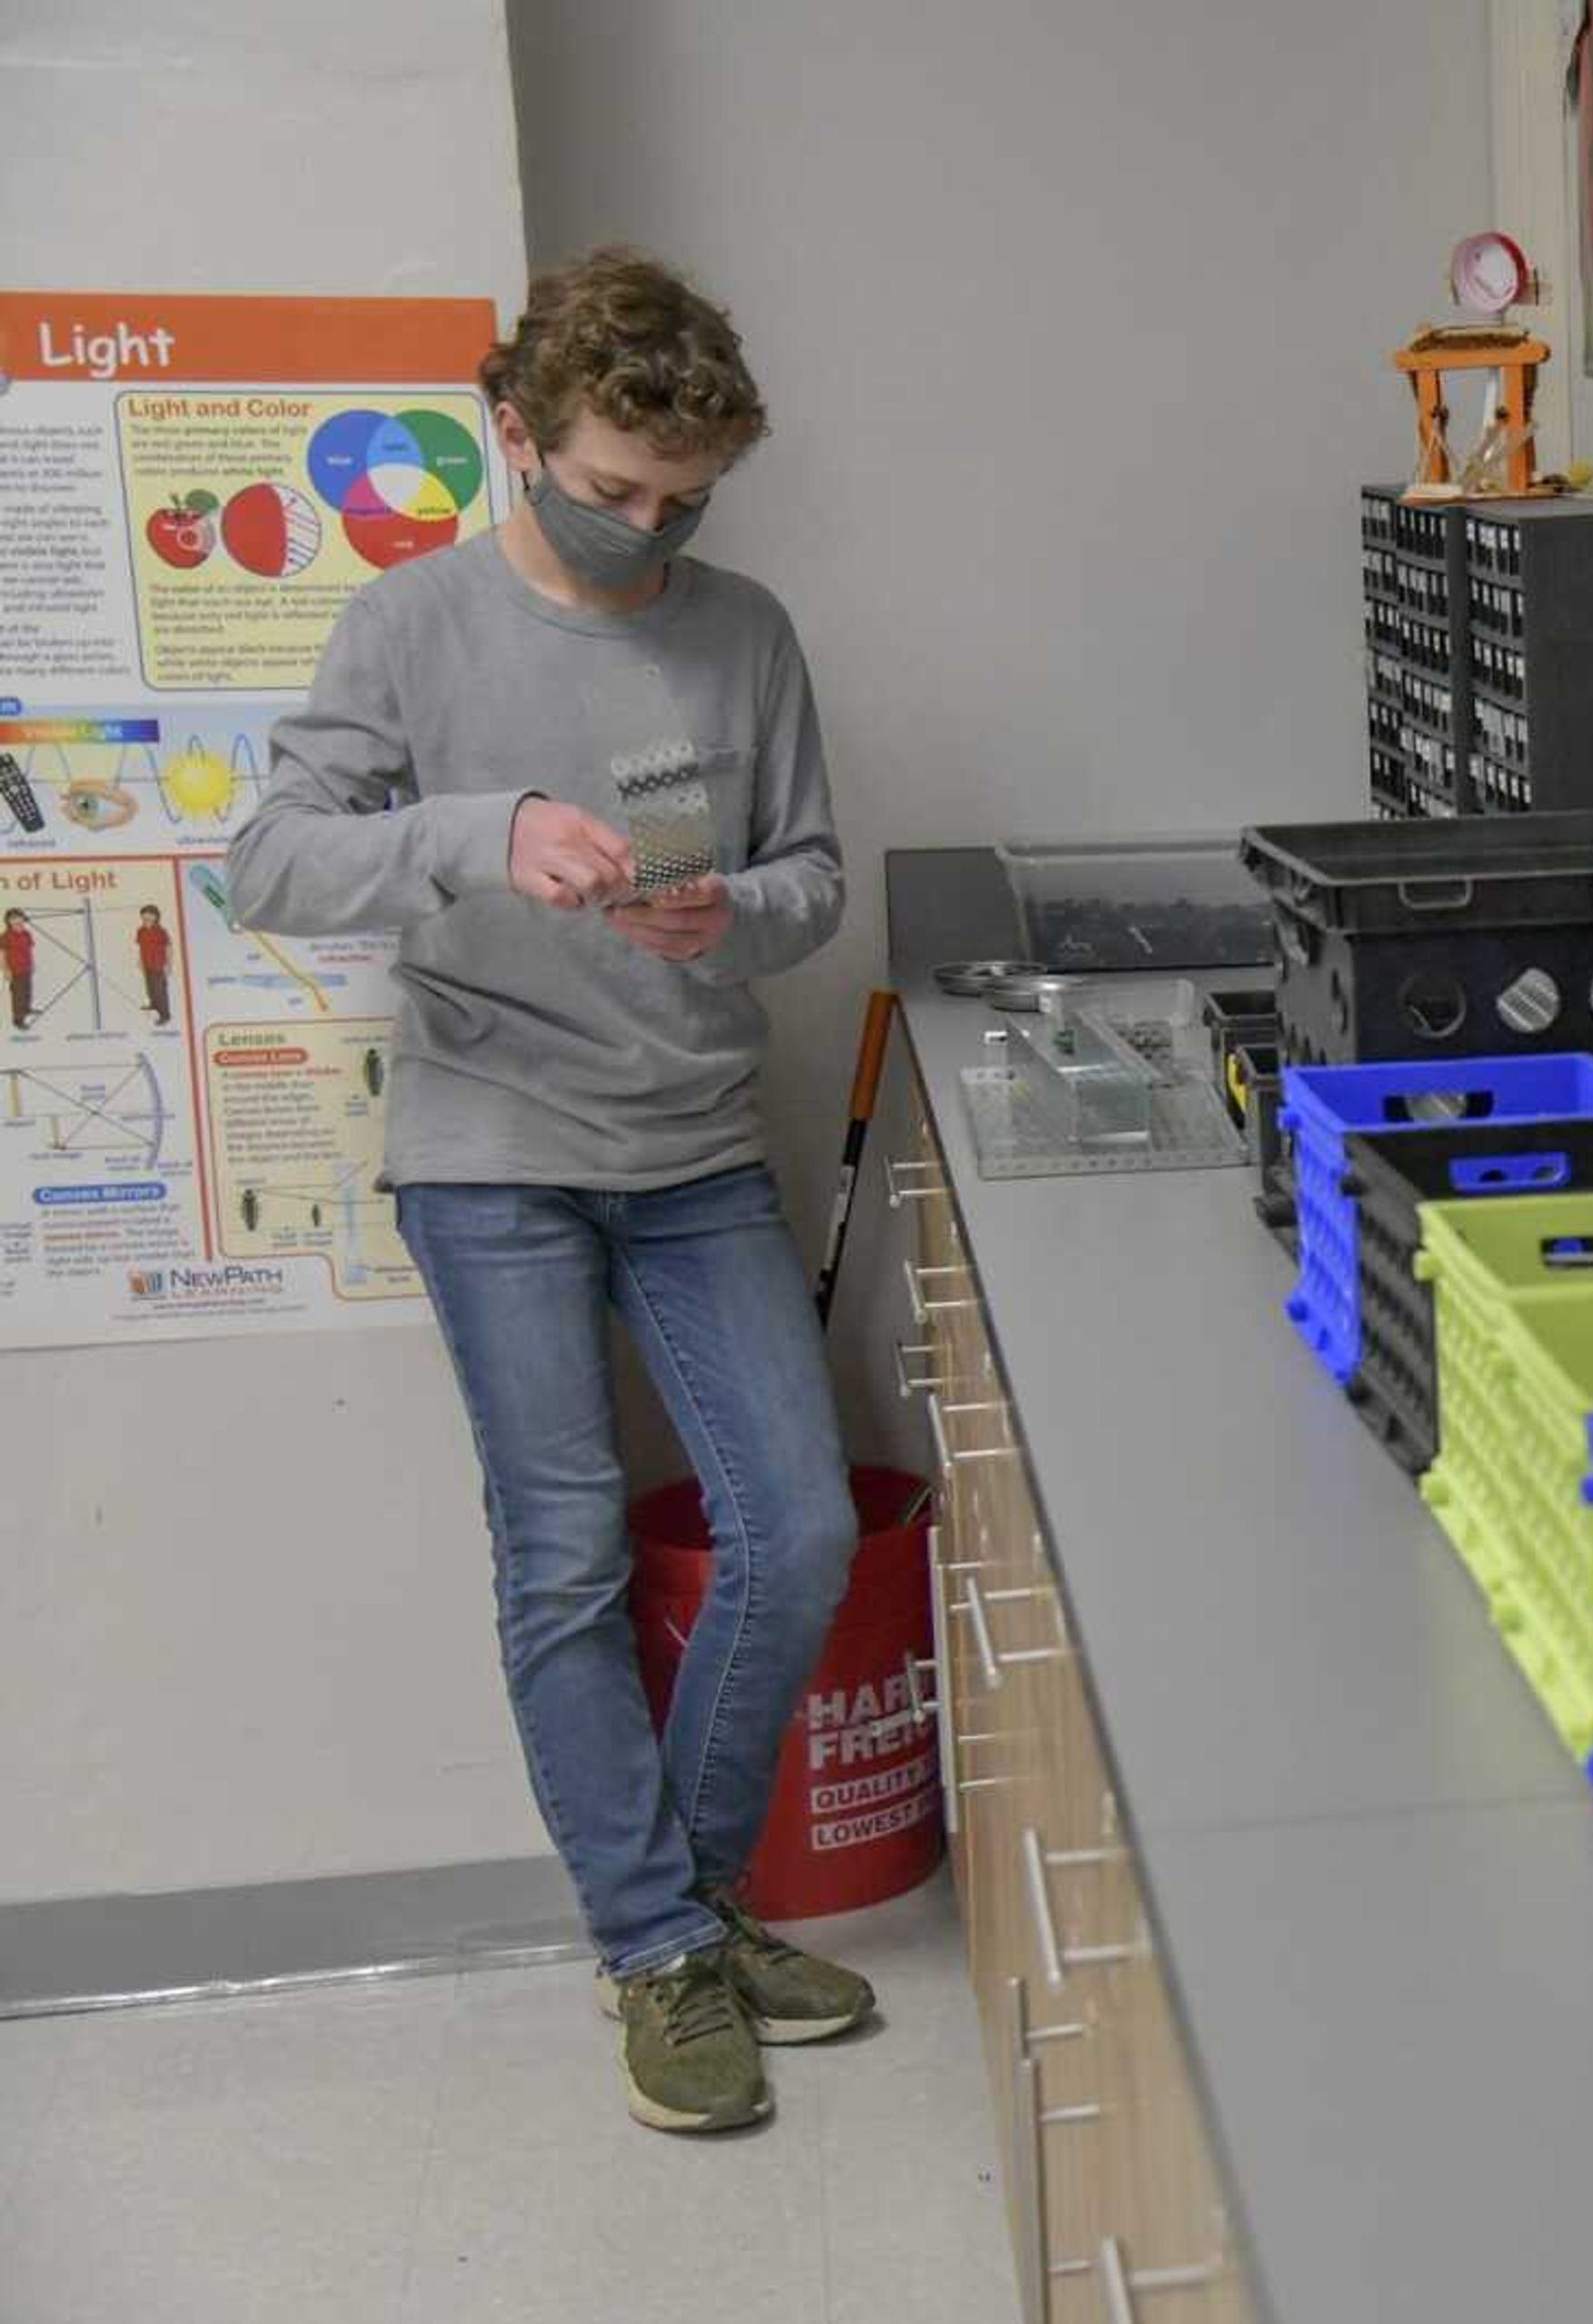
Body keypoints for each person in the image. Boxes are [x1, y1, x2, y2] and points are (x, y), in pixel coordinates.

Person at [227, 248, 866, 2135]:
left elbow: (813, 876)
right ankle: (661, 1942)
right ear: (514, 434)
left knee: (801, 1528)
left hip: (688, 1143)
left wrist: (728, 910)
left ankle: (691, 1907)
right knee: (566, 1556)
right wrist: (481, 837)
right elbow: (266, 866)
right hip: (491, 1147)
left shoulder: (746, 633)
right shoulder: (410, 626)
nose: (640, 529)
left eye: (680, 501)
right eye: (604, 489)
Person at [134, 903, 171, 1027]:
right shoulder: (140, 931)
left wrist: (168, 964)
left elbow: (168, 948)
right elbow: (140, 947)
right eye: (144, 916)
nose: (146, 918)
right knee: (150, 988)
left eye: (149, 915)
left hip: (158, 965)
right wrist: (140, 960)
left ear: (155, 916)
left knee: (160, 991)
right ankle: (154, 1005)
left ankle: (165, 1016)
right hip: (147, 964)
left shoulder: (161, 932)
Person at [3, 909, 32, 1031]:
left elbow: (28, 950)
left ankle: (26, 1009)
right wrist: (5, 970)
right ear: (8, 921)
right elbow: (2, 954)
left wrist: (32, 964)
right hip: (14, 970)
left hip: (27, 968)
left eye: (19, 917)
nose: (17, 920)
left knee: (27, 991)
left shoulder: (26, 934)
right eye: (13, 918)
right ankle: (18, 1020)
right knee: (18, 995)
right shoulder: (5, 936)